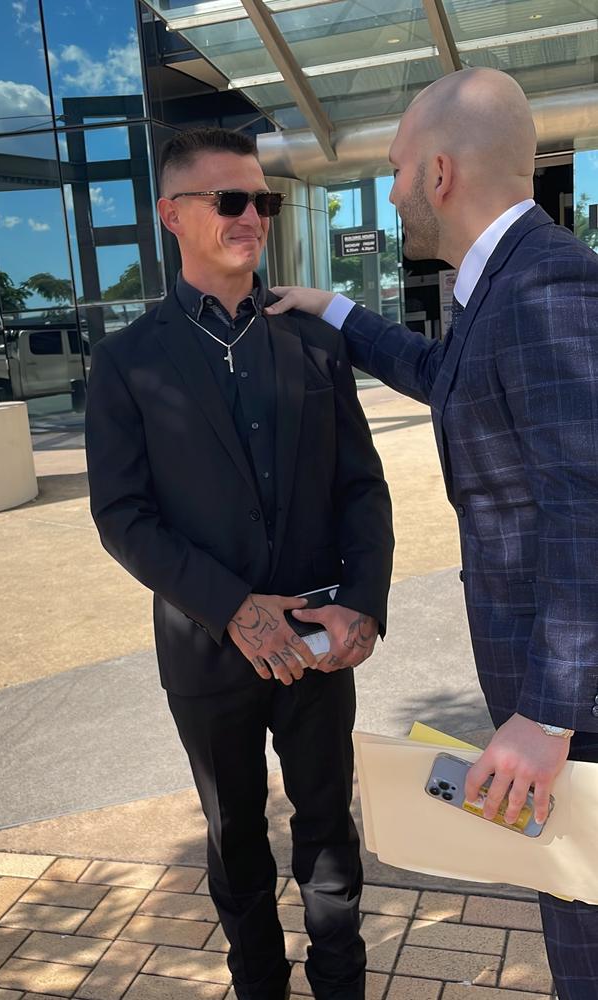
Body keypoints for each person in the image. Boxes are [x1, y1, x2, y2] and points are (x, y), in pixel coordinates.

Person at [266, 67, 598, 999]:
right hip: (556, 701)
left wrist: (547, 713)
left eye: (399, 166)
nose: (392, 188)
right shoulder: (498, 283)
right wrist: (334, 311)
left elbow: (587, 504)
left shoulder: (547, 287)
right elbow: (447, 376)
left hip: (576, 712)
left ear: (440, 173)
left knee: (588, 931)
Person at [84, 127, 394, 1000]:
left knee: (330, 834)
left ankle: (342, 987)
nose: (253, 215)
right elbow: (123, 516)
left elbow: (362, 489)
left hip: (319, 641)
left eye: (263, 200)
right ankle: (260, 985)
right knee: (236, 839)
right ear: (172, 216)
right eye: (230, 200)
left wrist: (362, 601)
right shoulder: (126, 361)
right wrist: (233, 607)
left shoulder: (315, 342)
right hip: (206, 650)